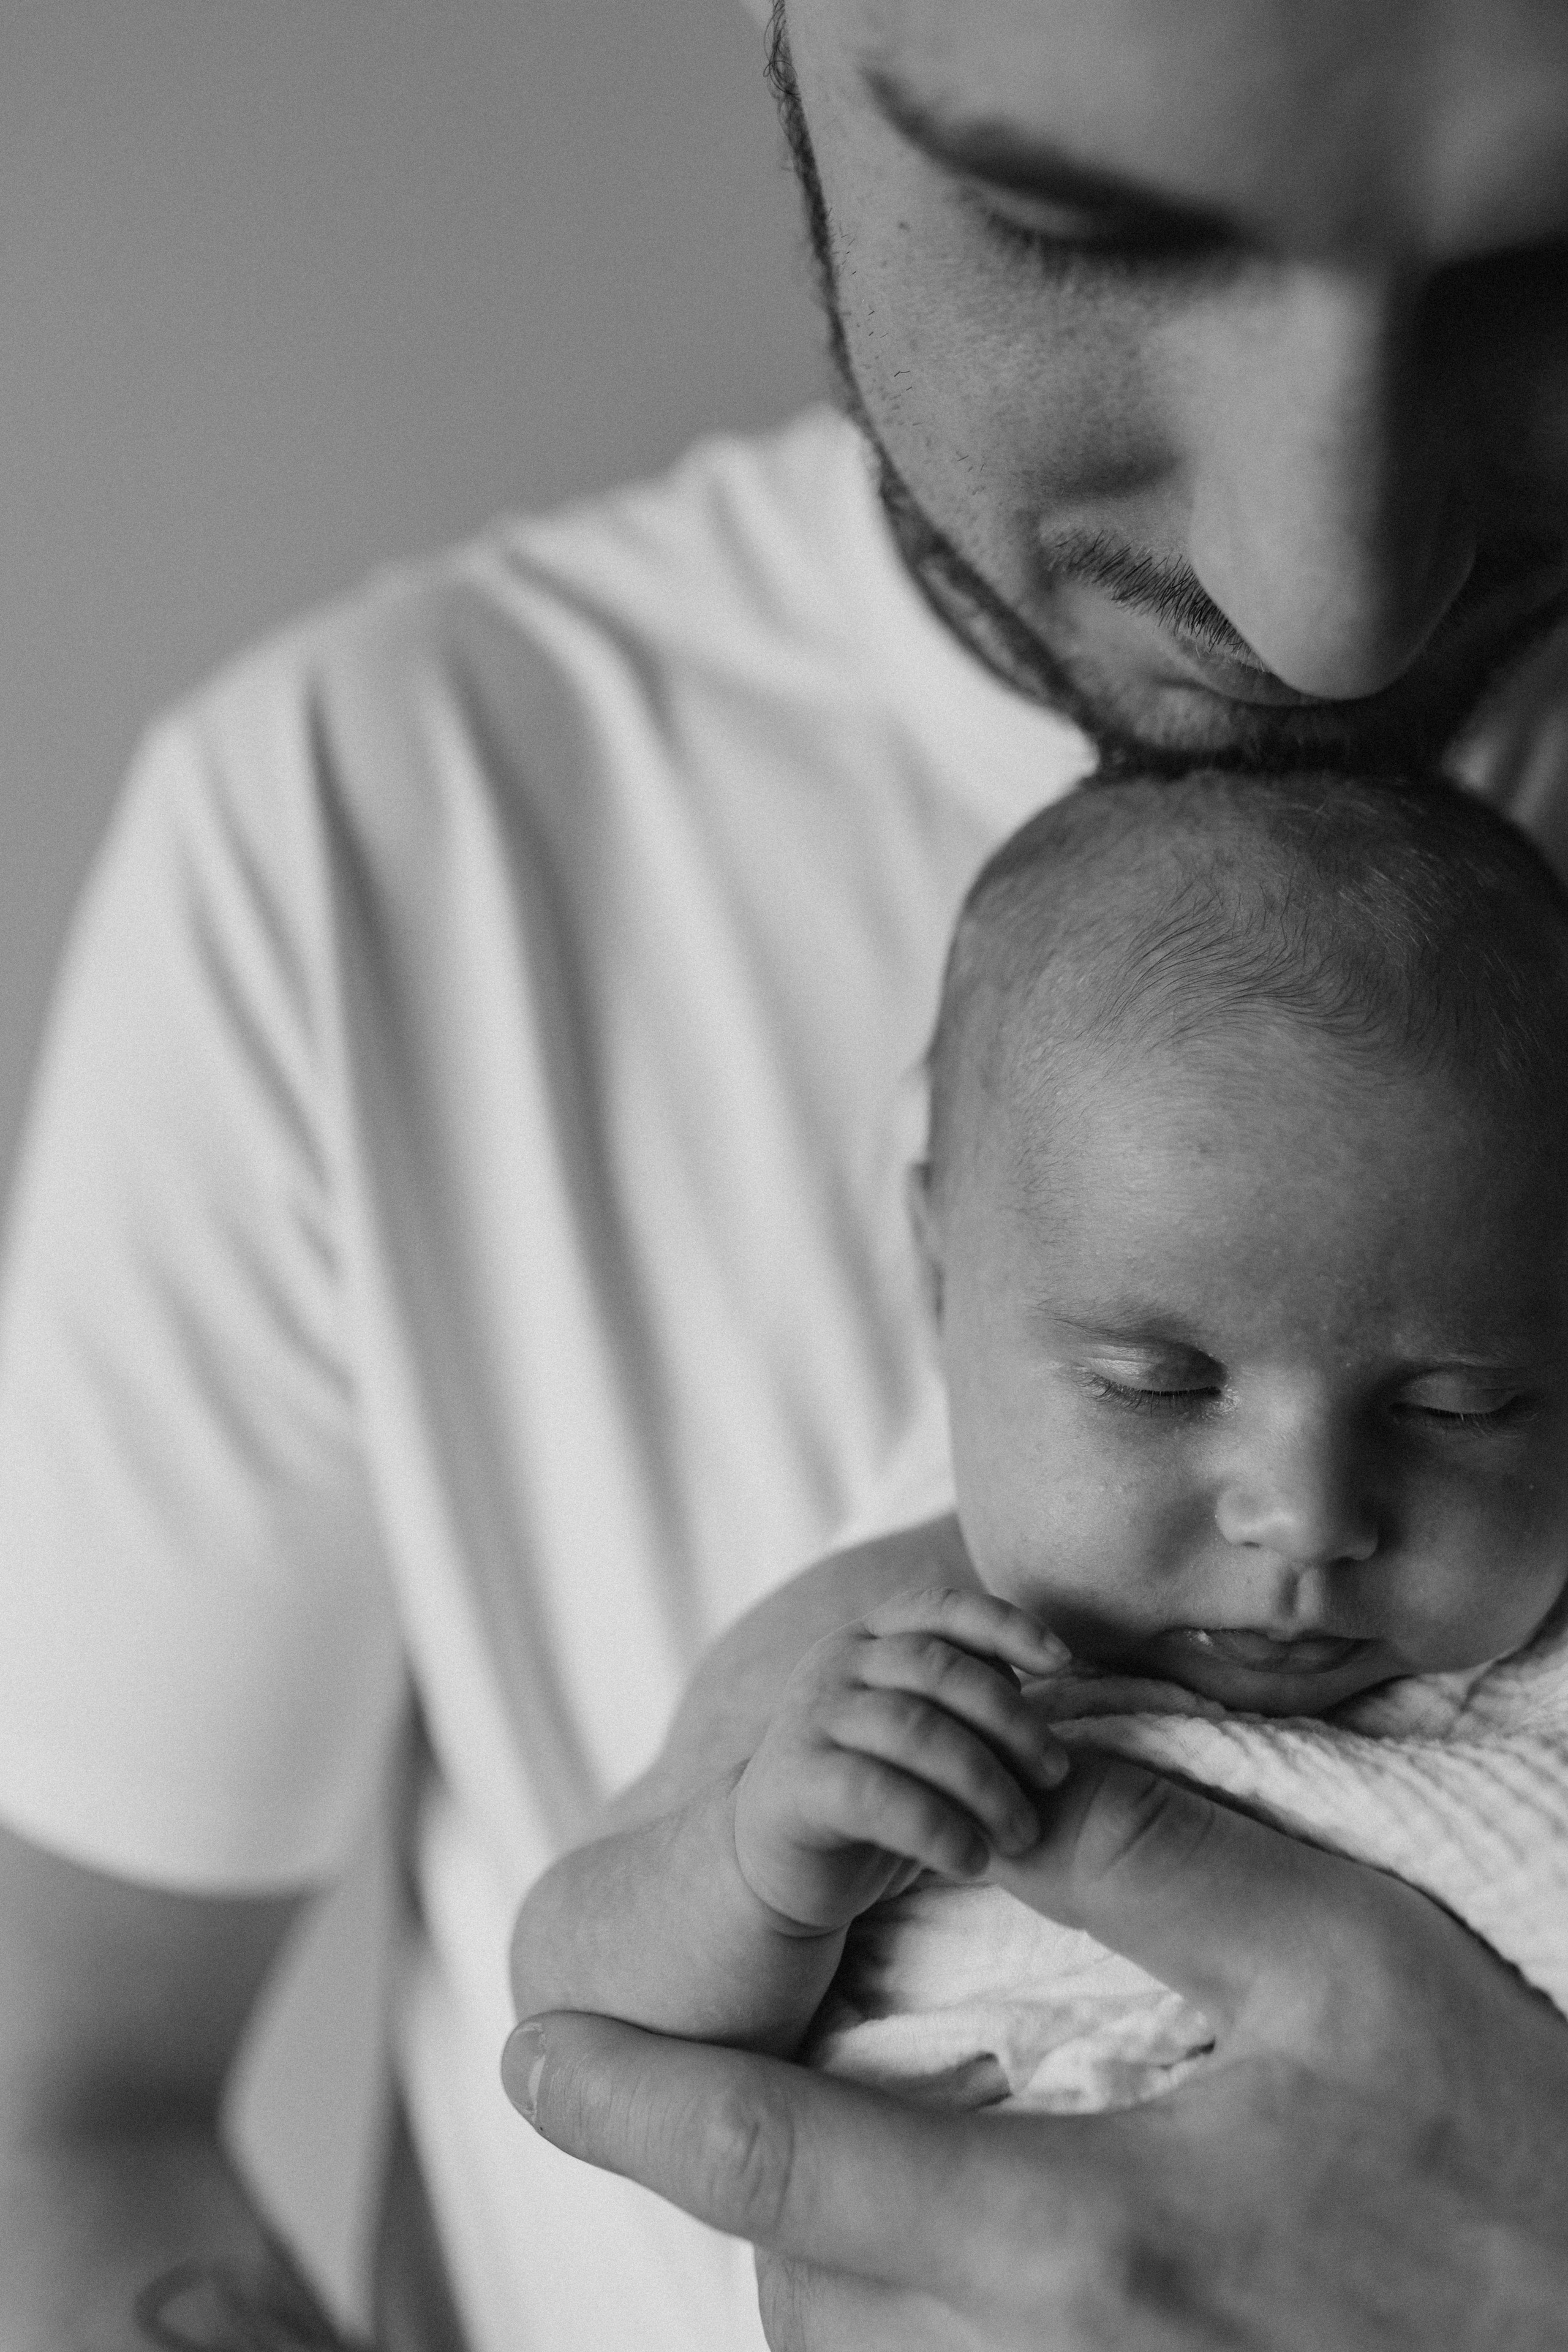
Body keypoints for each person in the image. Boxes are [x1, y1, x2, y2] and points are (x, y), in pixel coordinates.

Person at [4, 1, 1568, 2348]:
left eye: (1554, 269)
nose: (1323, 590)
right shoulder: (377, 825)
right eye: (1083, 224)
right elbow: (68, 2115)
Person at [509, 767, 1568, 2114]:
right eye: (1156, 1384)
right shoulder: (878, 1655)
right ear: (942, 1277)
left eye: (1454, 1406)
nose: (1303, 1517)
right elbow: (566, 1983)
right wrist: (757, 1866)